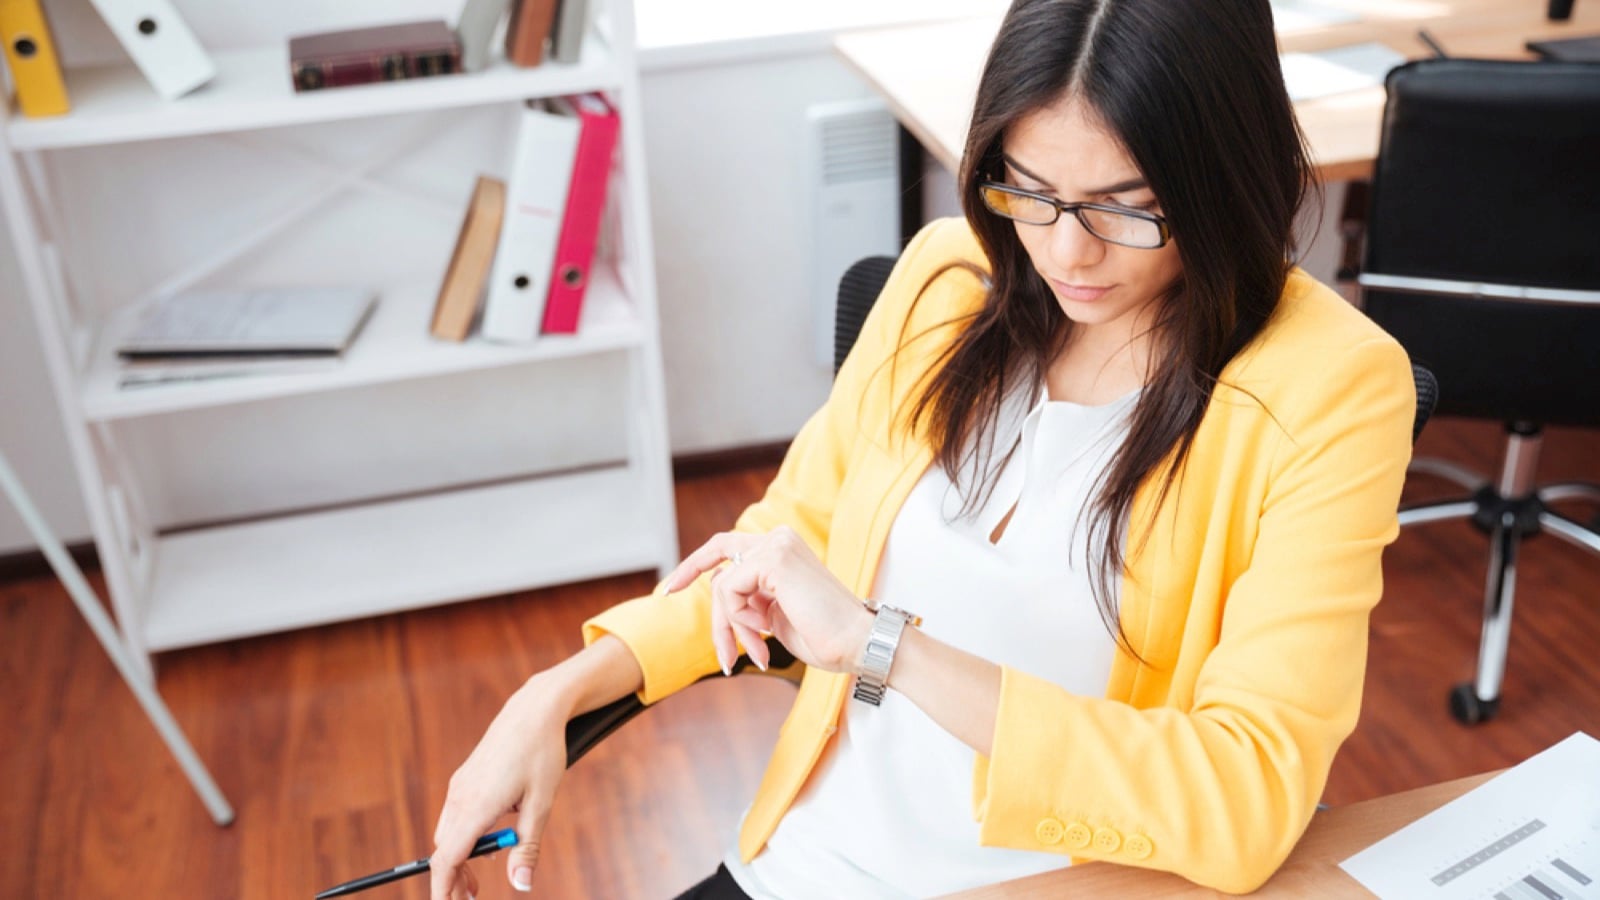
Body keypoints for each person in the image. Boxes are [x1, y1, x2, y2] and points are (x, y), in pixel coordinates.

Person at [428, 0, 1416, 895]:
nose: (1066, 251)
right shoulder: (948, 283)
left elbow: (1242, 794)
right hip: (806, 866)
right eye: (1027, 191)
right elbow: (790, 542)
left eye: (1126, 207)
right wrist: (558, 693)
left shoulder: (1329, 387)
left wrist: (878, 644)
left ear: (1222, 175)